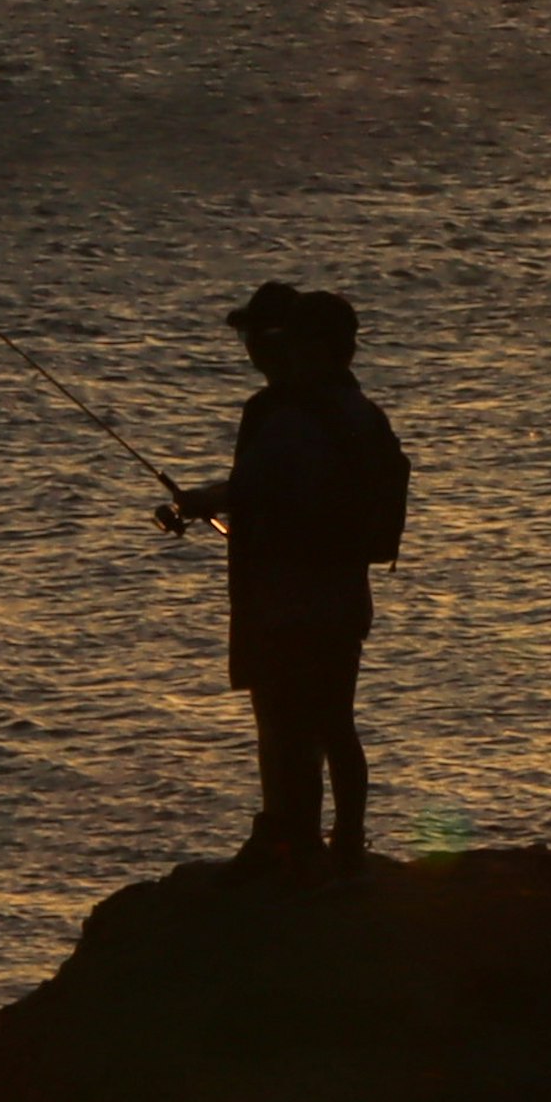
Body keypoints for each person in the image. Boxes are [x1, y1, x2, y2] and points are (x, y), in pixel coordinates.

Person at [157, 280, 409, 868]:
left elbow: (247, 489)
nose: (280, 355)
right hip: (344, 594)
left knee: (286, 720)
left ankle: (293, 841)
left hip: (290, 598)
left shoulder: (292, 418)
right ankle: (343, 841)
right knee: (335, 723)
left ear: (316, 349)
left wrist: (195, 502)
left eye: (294, 346)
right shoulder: (363, 412)